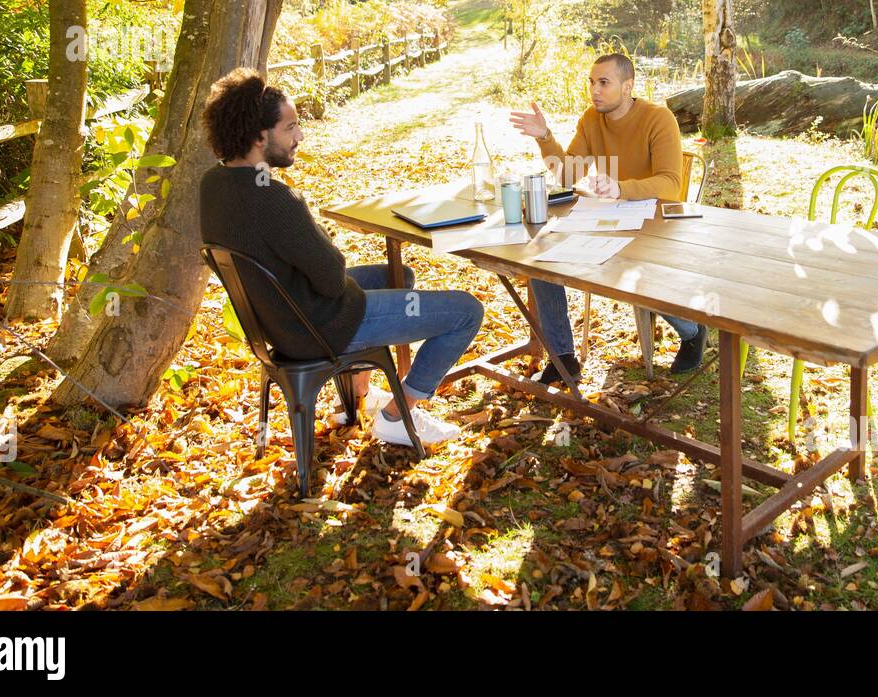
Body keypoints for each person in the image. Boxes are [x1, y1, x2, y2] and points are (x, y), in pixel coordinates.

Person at [198, 68, 483, 446]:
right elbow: (332, 279)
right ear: (258, 136)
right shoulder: (276, 200)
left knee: (400, 276)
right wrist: (320, 238)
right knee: (466, 311)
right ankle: (400, 414)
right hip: (318, 327)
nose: (300, 136)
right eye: (290, 127)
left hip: (277, 320)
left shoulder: (212, 185)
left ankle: (356, 397)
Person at [508, 52, 706, 382]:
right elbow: (569, 175)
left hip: (656, 222)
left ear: (627, 86)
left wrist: (620, 188)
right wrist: (545, 137)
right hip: (610, 218)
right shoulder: (591, 119)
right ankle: (563, 358)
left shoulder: (658, 118)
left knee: (633, 274)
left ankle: (692, 330)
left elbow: (671, 184)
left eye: (604, 83)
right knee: (542, 260)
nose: (594, 90)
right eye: (591, 82)